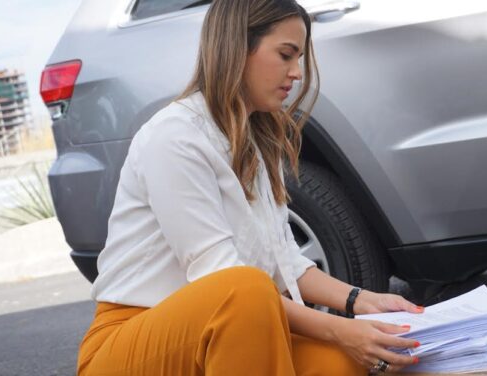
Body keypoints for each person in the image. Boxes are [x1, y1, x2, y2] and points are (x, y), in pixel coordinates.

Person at [77, 0, 422, 375]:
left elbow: (285, 261)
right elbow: (223, 284)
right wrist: (341, 329)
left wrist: (362, 302)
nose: (296, 73)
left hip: (230, 323)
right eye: (285, 55)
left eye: (300, 58)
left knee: (339, 364)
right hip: (134, 339)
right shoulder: (175, 137)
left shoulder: (256, 140)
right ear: (236, 48)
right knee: (245, 290)